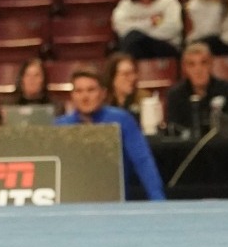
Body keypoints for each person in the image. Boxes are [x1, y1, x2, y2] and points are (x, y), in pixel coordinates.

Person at [57, 70, 165, 201]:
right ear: (72, 96)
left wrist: (158, 199)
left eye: (91, 90)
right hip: (71, 201)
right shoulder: (60, 126)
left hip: (114, 202)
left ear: (103, 93)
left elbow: (142, 160)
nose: (85, 97)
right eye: (78, 91)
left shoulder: (121, 120)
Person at [113, 0, 185, 60]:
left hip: (165, 48)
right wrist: (151, 22)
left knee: (133, 37)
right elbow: (121, 30)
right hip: (136, 49)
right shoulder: (125, 5)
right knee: (131, 40)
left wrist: (141, 34)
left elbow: (173, 28)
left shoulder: (169, 1)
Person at [103, 52, 147, 120]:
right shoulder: (102, 102)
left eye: (134, 72)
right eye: (126, 74)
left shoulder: (144, 98)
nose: (133, 78)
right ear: (112, 77)